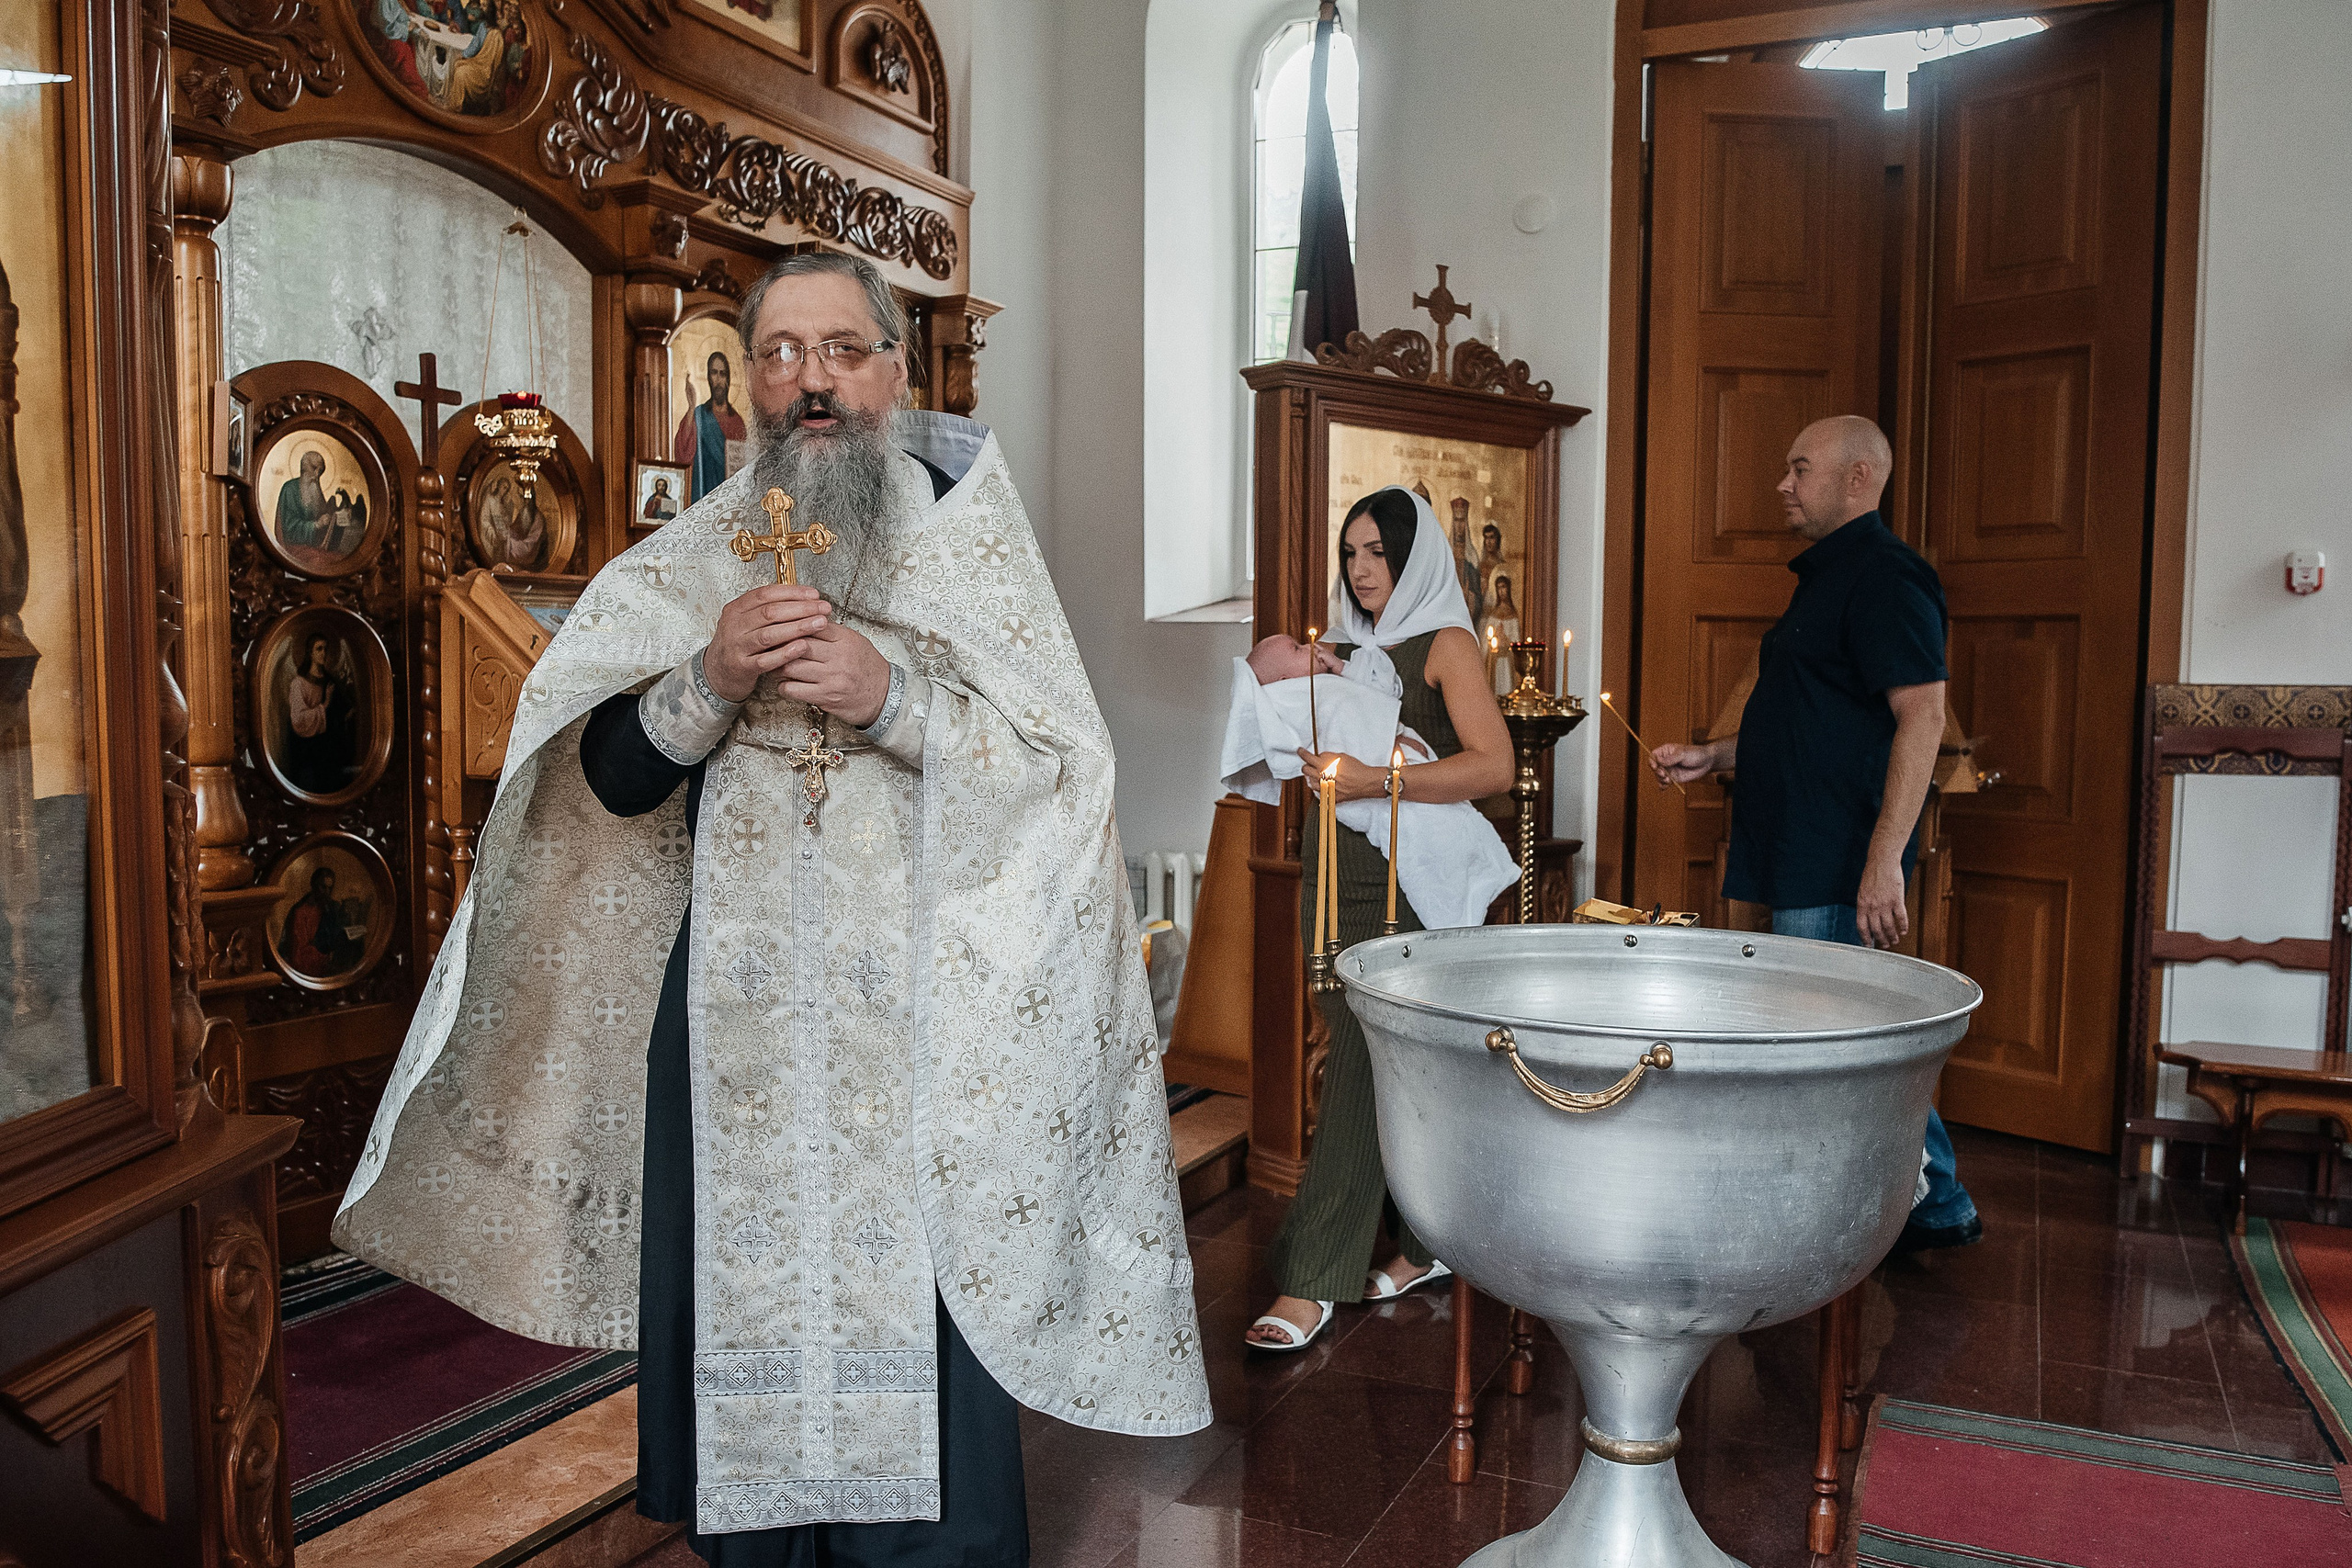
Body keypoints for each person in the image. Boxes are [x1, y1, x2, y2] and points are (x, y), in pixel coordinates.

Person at [336, 251, 1209, 1563]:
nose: (813, 380)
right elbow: (608, 781)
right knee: (743, 1344)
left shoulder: (969, 548)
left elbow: (1061, 778)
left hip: (917, 1027)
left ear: (896, 371)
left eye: (844, 349)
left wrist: (891, 699)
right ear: (743, 381)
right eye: (783, 352)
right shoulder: (692, 555)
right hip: (732, 1035)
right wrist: (708, 672)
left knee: (919, 1352)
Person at [1647, 414, 1980, 1252]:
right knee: (1834, 1039)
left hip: (1838, 859)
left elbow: (1923, 716)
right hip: (1802, 846)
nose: (1783, 484)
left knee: (1840, 1046)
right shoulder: (1826, 577)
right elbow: (1813, 718)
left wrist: (1882, 865)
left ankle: (1912, 1204)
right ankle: (1929, 1200)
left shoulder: (1888, 578)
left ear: (1859, 477)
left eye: (1800, 468)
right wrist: (1714, 755)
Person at [1245, 487, 1515, 1350]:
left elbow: (1493, 767)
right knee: (1384, 1063)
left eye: (1377, 553)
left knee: (1362, 1061)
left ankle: (1313, 1278)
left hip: (1407, 887)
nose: (1361, 570)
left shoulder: (1446, 643)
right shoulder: (1343, 654)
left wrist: (1373, 781)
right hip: (1332, 872)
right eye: (1351, 553)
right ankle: (1431, 1242)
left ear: (1414, 557)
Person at [1219, 634, 1519, 931]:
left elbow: (1497, 769)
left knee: (1441, 840)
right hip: (1331, 885)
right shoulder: (1320, 657)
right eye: (1298, 649)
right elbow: (1298, 744)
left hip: (1395, 897)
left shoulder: (1447, 642)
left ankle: (1468, 884)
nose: (1311, 648)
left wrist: (1378, 777)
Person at [673, 349, 749, 502]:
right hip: (702, 497)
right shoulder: (699, 415)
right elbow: (683, 455)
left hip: (729, 500)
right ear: (708, 377)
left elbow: (744, 467)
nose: (719, 379)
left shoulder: (737, 421)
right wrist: (691, 407)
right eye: (714, 373)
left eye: (723, 373)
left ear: (728, 378)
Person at [283, 634, 355, 795]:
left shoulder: (330, 681)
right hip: (308, 751)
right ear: (310, 653)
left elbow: (343, 711)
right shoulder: (298, 684)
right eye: (319, 649)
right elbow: (299, 719)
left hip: (331, 749)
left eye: (326, 649)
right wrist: (325, 705)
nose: (324, 653)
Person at [1478, 573, 1521, 696]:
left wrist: (1506, 639)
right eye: (1498, 588)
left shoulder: (1513, 614)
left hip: (1507, 659)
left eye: (1503, 587)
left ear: (1508, 588)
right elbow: (1486, 639)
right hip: (1494, 660)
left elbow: (1516, 640)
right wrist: (1494, 639)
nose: (1501, 591)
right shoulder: (1494, 614)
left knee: (1507, 688)